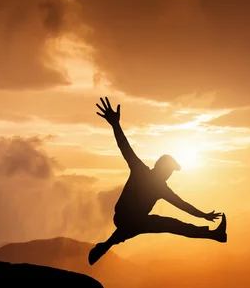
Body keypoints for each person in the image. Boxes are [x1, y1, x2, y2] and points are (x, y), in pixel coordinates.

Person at [88, 97, 227, 265]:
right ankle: (214, 235)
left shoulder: (159, 186)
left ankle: (103, 247)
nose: (169, 175)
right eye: (169, 171)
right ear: (161, 167)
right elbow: (125, 147)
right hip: (126, 218)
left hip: (131, 221)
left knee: (158, 226)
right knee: (170, 225)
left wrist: (203, 215)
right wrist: (115, 124)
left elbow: (182, 205)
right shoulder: (142, 172)